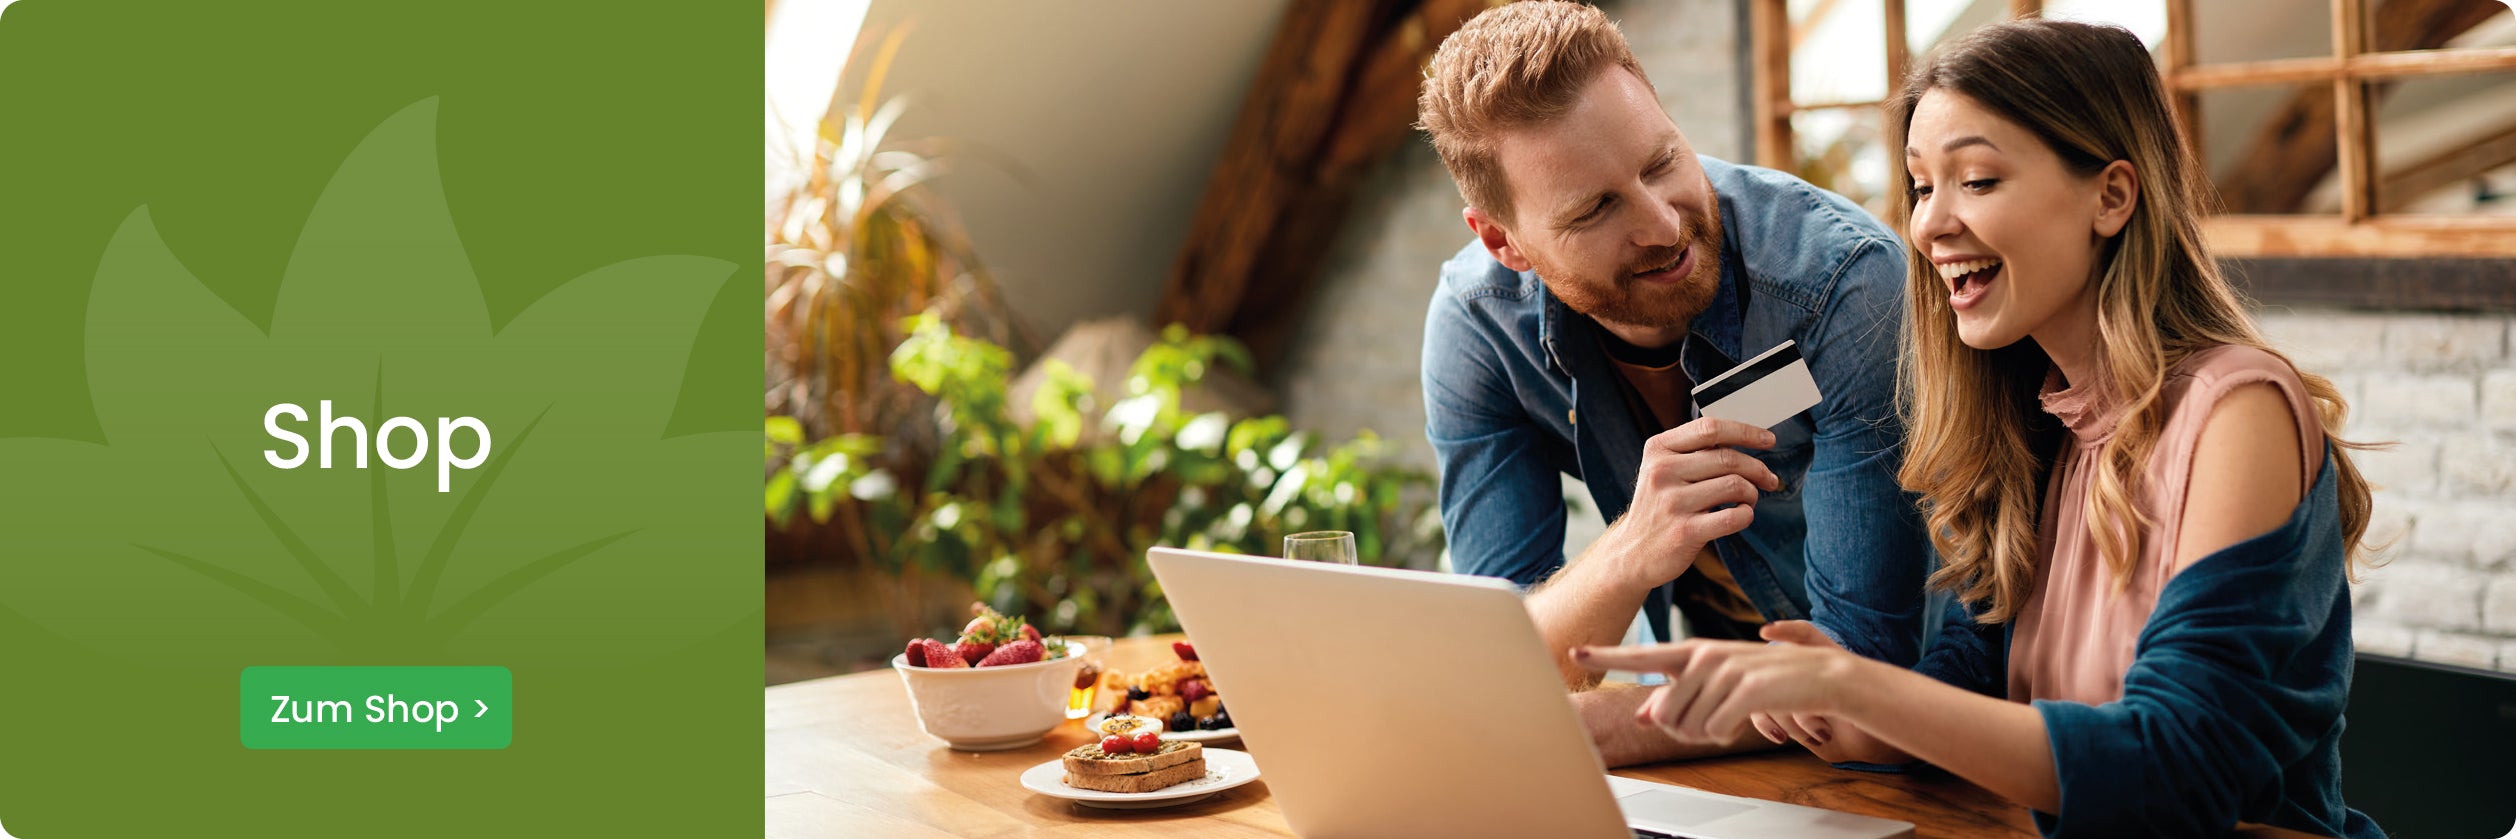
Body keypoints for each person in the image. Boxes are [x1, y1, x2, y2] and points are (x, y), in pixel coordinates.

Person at [1576, 18, 2383, 838]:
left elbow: (2179, 768)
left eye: (1978, 180)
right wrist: (1823, 703)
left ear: (2112, 196)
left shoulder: (2235, 409)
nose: (1929, 226)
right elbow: (1966, 694)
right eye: (1922, 187)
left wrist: (1861, 690)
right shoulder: (2035, 425)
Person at [1414, 1, 1934, 766]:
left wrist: (1581, 729)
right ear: (1503, 240)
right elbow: (1505, 654)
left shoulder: (1840, 286)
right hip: (1723, 748)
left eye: (1662, 161)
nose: (1662, 225)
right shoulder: (1480, 325)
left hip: (1913, 748)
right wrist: (1631, 549)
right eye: (1596, 208)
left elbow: (1863, 671)